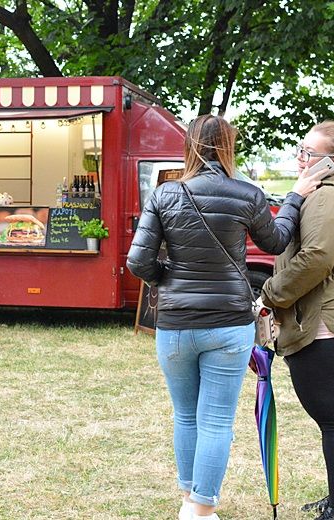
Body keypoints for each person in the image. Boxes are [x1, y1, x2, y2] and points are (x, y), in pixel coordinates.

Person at [126, 114, 323, 520]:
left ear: (190, 146)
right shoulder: (246, 194)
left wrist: (169, 282)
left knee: (185, 414)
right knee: (215, 419)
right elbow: (277, 239)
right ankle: (200, 507)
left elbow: (137, 261)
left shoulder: (165, 195)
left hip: (176, 326)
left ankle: (188, 499)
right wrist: (296, 197)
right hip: (230, 324)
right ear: (229, 147)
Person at [260, 121, 334, 520]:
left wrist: (270, 294)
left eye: (308, 154)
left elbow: (315, 259)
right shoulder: (332, 194)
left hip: (327, 325)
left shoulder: (328, 198)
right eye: (300, 150)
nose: (300, 159)